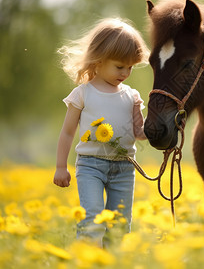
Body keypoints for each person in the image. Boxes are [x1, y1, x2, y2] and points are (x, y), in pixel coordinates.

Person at [53, 18, 149, 247]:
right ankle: (87, 259)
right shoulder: (82, 94)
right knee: (93, 216)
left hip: (124, 167)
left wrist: (160, 128)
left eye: (130, 67)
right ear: (99, 60)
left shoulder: (132, 96)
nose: (126, 72)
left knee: (120, 224)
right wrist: (60, 166)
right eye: (120, 66)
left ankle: (112, 261)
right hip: (90, 166)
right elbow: (67, 133)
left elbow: (139, 133)